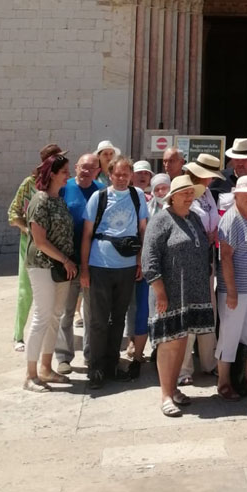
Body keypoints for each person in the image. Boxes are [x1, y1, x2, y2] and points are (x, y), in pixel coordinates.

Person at [142, 174, 215, 418]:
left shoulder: (193, 218)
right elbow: (149, 259)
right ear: (172, 197)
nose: (189, 197)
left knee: (182, 341)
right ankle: (165, 395)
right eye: (184, 193)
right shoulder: (161, 220)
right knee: (169, 343)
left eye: (191, 193)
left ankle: (173, 390)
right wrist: (160, 290)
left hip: (191, 293)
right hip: (169, 293)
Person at [80, 155, 148, 387]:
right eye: (117, 174)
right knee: (98, 319)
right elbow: (87, 235)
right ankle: (96, 367)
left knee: (118, 318)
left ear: (131, 175)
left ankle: (111, 364)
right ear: (109, 175)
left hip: (127, 267)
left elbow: (142, 231)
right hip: (100, 265)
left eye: (125, 174)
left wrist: (140, 262)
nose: (121, 178)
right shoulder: (98, 198)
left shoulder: (137, 196)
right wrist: (85, 269)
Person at [22, 151, 77, 391]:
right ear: (52, 174)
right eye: (64, 172)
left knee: (56, 316)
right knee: (42, 317)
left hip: (61, 268)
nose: (69, 175)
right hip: (43, 266)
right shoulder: (41, 200)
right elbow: (40, 240)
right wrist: (65, 259)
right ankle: (30, 374)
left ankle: (46, 367)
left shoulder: (59, 199)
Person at [7, 141, 62, 351]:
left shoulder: (60, 183)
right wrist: (29, 230)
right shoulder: (30, 183)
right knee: (26, 290)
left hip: (55, 244)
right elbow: (13, 213)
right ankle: (18, 335)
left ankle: (49, 337)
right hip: (30, 244)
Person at [216, 175, 247, 401]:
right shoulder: (230, 219)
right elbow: (225, 258)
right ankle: (224, 381)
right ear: (236, 193)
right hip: (235, 291)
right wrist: (232, 291)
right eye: (246, 192)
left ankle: (244, 375)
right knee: (229, 335)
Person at [55, 151, 101, 374]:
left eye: (92, 168)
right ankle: (63, 357)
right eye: (83, 166)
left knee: (92, 312)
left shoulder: (102, 192)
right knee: (66, 310)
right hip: (68, 261)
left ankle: (91, 356)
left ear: (98, 171)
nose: (86, 171)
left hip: (95, 262)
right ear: (76, 168)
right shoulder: (65, 188)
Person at [178, 155, 223, 384]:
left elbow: (213, 221)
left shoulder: (206, 193)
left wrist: (213, 234)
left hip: (207, 258)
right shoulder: (185, 190)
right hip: (189, 260)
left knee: (209, 310)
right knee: (189, 312)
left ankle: (209, 362)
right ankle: (184, 369)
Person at [212, 137, 247, 203]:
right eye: (237, 159)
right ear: (232, 159)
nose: (240, 163)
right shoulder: (221, 178)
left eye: (244, 160)